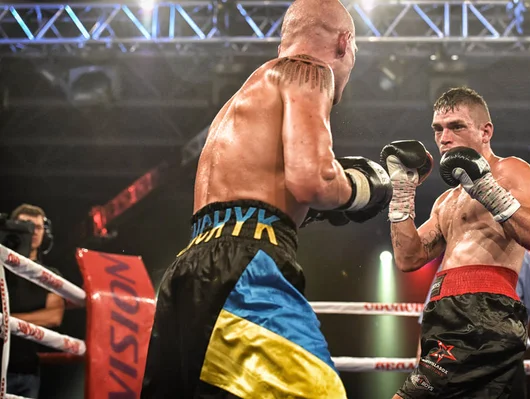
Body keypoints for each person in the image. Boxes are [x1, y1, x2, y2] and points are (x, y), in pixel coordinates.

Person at [141, 1, 392, 398]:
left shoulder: (242, 99)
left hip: (186, 274)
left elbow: (255, 199)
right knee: (320, 392)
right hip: (244, 269)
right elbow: (314, 181)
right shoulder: (311, 71)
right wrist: (369, 185)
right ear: (345, 42)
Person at [380, 86, 530, 398]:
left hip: (482, 315)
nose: (444, 138)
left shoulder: (510, 171)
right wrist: (402, 193)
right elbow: (408, 259)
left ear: (485, 131)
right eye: (438, 129)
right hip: (445, 315)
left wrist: (487, 189)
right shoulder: (445, 200)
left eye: (456, 126)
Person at [416, 252, 530, 398]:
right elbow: (432, 320)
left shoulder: (521, 257)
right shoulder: (452, 259)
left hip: (505, 365)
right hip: (457, 365)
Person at [3, 204, 65, 398]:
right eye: (25, 225)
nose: (32, 231)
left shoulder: (50, 276)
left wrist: (7, 321)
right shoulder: (0, 268)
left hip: (26, 370)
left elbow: (54, 316)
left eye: (37, 227)